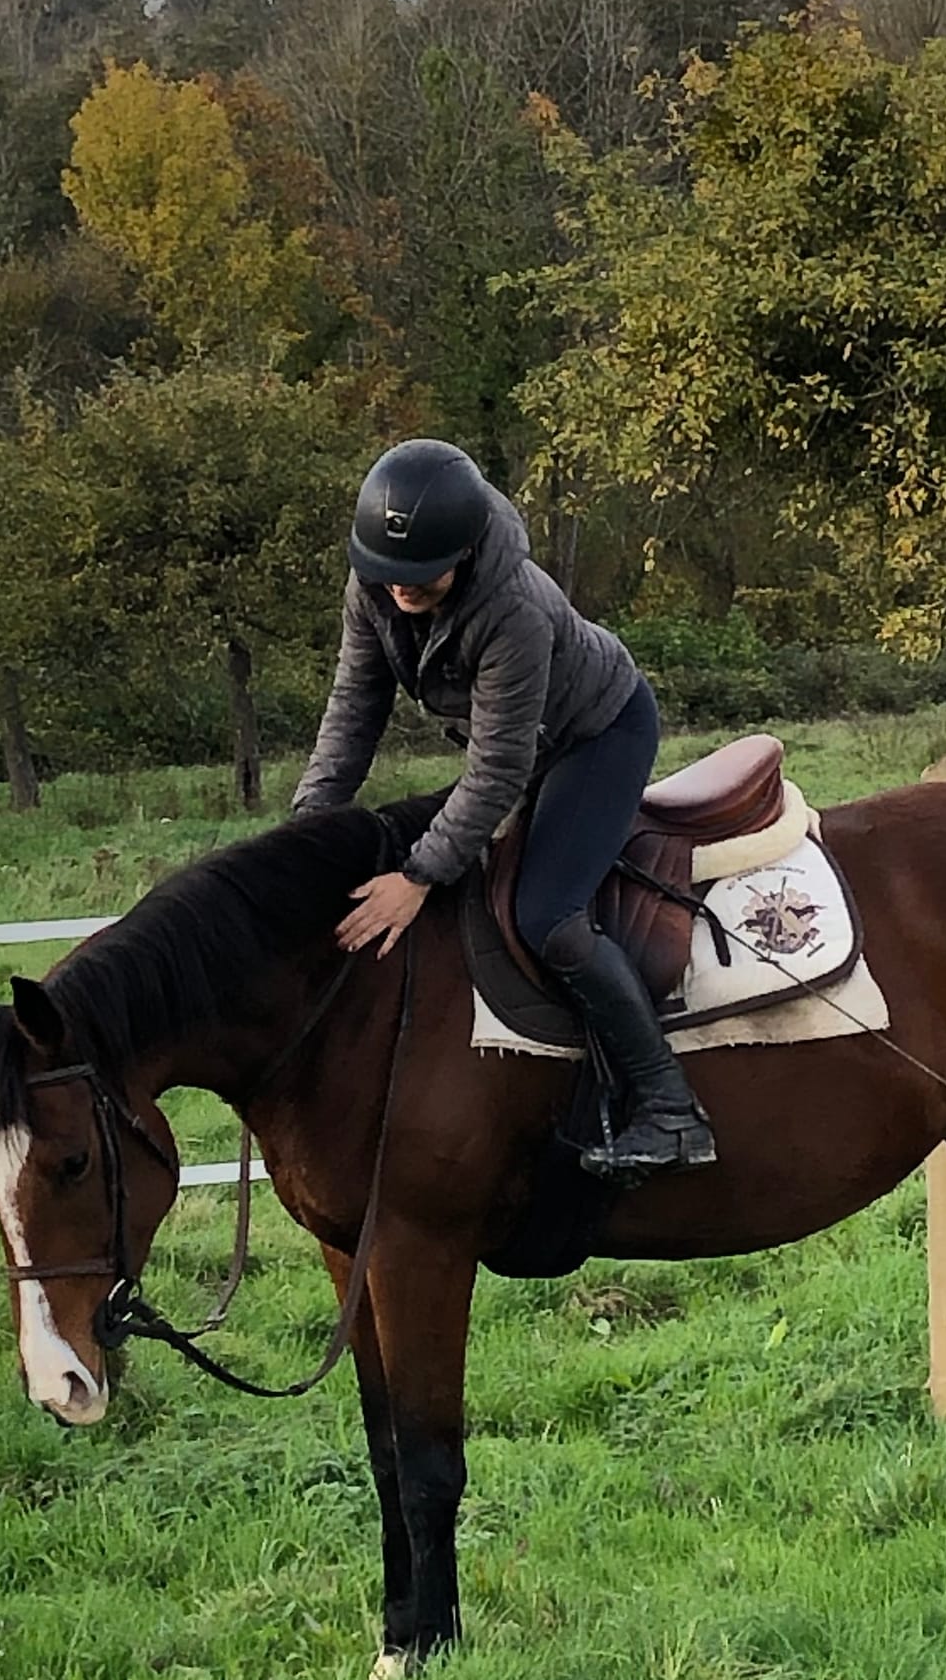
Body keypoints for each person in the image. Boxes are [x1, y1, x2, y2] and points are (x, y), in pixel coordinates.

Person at [292, 438, 716, 1179]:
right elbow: (352, 712)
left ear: (464, 550)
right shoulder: (375, 584)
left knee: (545, 914)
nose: (403, 591)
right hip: (525, 743)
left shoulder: (512, 608)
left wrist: (417, 875)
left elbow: (496, 770)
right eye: (391, 575)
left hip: (598, 734)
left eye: (421, 577)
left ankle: (670, 1109)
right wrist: (305, 833)